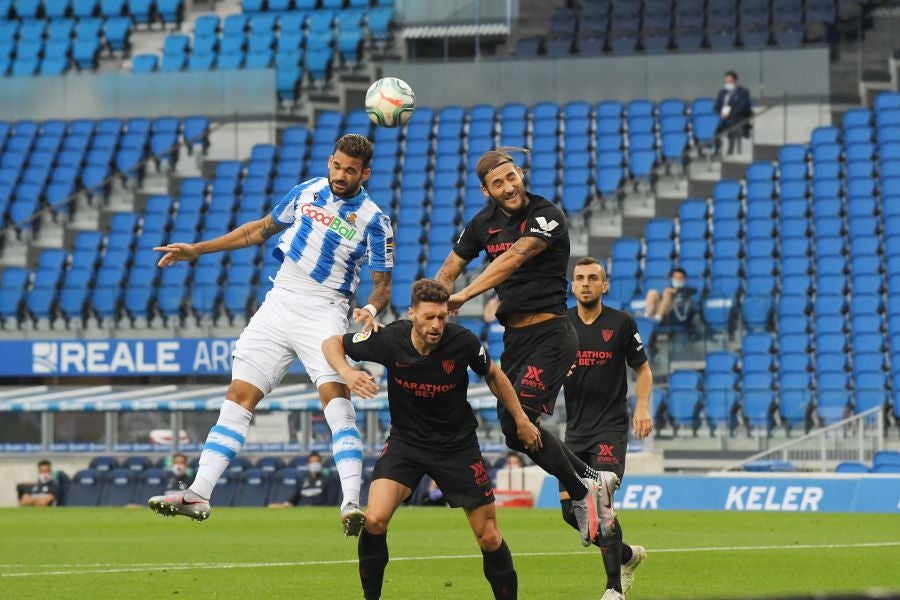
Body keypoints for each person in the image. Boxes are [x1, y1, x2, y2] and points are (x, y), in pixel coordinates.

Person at [148, 134, 393, 537]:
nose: (340, 175)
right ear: (330, 161)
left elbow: (381, 284)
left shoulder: (374, 219)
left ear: (365, 173)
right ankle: (198, 493)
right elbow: (258, 231)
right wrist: (197, 250)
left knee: (335, 400)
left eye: (350, 170)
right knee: (239, 397)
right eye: (336, 165)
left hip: (325, 309)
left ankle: (351, 502)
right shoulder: (307, 191)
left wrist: (369, 308)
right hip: (278, 303)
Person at [322, 279, 542, 600]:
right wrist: (347, 371)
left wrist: (521, 419)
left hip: (457, 447)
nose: (437, 324)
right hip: (406, 443)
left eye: (441, 317)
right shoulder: (389, 339)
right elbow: (331, 343)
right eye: (429, 317)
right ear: (412, 314)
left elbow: (493, 374)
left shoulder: (463, 342)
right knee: (374, 520)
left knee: (489, 537)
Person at [435, 147, 607, 546]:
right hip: (515, 340)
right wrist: (434, 304)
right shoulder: (481, 224)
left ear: (522, 173)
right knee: (513, 434)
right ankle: (591, 479)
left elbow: (512, 259)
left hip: (551, 335)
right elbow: (448, 270)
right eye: (499, 183)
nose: (509, 187)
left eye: (512, 177)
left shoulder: (547, 215)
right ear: (485, 191)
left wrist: (463, 297)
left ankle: (584, 490)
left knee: (520, 421)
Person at [562, 257, 654, 600]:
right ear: (572, 285)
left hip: (610, 429)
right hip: (575, 432)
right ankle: (628, 556)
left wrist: (642, 406)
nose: (585, 283)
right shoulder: (562, 324)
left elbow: (643, 370)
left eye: (592, 278)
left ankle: (614, 587)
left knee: (600, 503)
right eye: (579, 278)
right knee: (572, 515)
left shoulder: (622, 324)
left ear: (604, 285)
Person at [271, 452, 338, 507]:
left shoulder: (329, 480)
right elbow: (292, 500)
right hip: (301, 511)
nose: (314, 464)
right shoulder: (303, 480)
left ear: (321, 464)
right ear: (308, 464)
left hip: (317, 511)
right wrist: (281, 505)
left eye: (317, 462)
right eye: (312, 462)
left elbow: (331, 503)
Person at [714, 70, 753, 155]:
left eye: (730, 82)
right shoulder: (722, 93)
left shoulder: (743, 92)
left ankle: (730, 151)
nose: (728, 84)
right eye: (726, 82)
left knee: (732, 125)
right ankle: (716, 150)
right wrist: (720, 113)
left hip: (738, 119)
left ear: (736, 81)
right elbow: (716, 106)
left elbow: (742, 107)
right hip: (724, 119)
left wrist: (729, 115)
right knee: (713, 126)